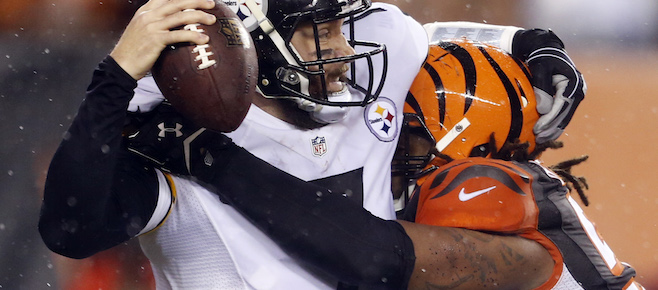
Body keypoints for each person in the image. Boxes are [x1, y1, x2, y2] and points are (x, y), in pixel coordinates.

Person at [38, 0, 586, 289]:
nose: (346, 49)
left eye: (340, 28)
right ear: (247, 42)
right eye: (320, 34)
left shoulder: (362, 52)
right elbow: (70, 230)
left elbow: (423, 36)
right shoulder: (168, 124)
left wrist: (534, 46)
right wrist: (112, 80)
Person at [155, 41, 642, 289]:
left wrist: (214, 162)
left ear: (468, 148)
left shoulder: (494, 197)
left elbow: (377, 257)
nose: (384, 144)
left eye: (408, 133)